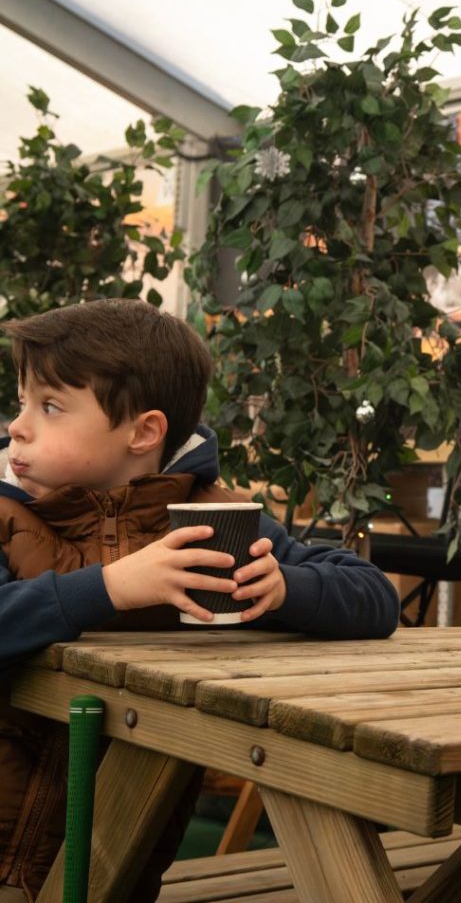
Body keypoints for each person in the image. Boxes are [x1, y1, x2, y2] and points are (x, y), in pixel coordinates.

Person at [0, 298, 400, 902]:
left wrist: (286, 588)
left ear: (144, 431)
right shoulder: (5, 515)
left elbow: (374, 597)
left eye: (50, 406)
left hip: (125, 861)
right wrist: (110, 587)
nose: (17, 426)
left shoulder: (215, 522)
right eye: (23, 402)